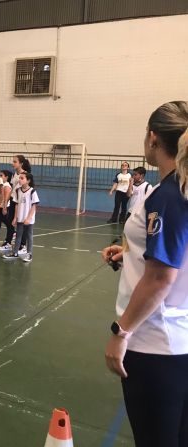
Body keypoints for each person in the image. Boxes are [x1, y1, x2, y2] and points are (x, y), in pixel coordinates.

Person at [101, 101, 188, 447]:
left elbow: (160, 277)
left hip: (154, 344)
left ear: (153, 138)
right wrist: (132, 253)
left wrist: (121, 333)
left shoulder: (168, 196)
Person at [3, 172, 39, 262]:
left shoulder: (32, 191)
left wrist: (29, 218)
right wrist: (15, 218)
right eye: (19, 178)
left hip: (28, 219)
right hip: (20, 218)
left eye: (22, 178)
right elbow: (16, 205)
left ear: (28, 180)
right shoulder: (17, 191)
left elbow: (34, 206)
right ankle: (15, 253)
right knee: (18, 235)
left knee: (29, 236)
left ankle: (29, 254)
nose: (20, 180)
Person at [10, 155, 32, 254]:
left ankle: (22, 245)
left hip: (22, 202)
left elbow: (28, 190)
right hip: (14, 199)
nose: (13, 163)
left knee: (23, 224)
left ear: (21, 163)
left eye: (15, 162)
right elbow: (12, 188)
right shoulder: (14, 174)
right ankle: (14, 242)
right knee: (13, 221)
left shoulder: (25, 175)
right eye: (13, 161)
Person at [0, 170, 14, 252]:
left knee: (9, 224)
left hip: (5, 207)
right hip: (3, 206)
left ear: (7, 177)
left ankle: (9, 240)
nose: (0, 177)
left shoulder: (7, 186)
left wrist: (4, 207)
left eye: (1, 175)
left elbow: (6, 198)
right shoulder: (3, 185)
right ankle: (11, 236)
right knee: (3, 221)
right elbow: (1, 196)